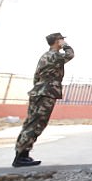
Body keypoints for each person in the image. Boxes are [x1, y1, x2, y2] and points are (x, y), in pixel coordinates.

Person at [13, 32, 74, 167]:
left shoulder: (45, 56)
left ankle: (22, 154)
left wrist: (39, 88)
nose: (63, 41)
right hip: (46, 93)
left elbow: (36, 77)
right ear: (57, 41)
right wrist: (66, 45)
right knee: (37, 124)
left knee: (30, 123)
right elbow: (70, 54)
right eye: (62, 39)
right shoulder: (55, 55)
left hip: (39, 91)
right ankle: (20, 157)